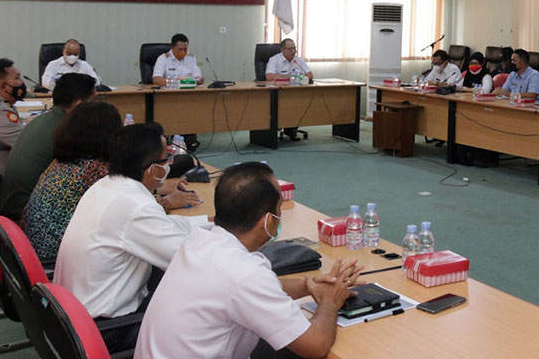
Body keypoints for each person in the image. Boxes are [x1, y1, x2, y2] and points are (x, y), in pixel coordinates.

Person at [135, 162, 363, 359]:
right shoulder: (245, 273)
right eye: (279, 209)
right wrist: (330, 302)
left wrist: (308, 286)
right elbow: (315, 346)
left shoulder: (200, 240)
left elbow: (253, 288)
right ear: (268, 221)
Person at [54, 122, 207, 352]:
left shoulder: (105, 186)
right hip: (109, 331)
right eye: (167, 159)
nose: (170, 164)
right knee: (204, 299)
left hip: (73, 318)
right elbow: (189, 260)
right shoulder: (137, 206)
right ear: (154, 170)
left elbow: (161, 227)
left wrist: (208, 225)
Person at [21, 101, 122, 258]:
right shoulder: (93, 168)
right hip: (57, 259)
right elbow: (130, 208)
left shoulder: (63, 162)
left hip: (36, 249)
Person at [0, 74, 97, 220]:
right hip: (26, 216)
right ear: (79, 104)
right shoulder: (66, 132)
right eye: (94, 100)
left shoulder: (44, 120)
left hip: (13, 208)